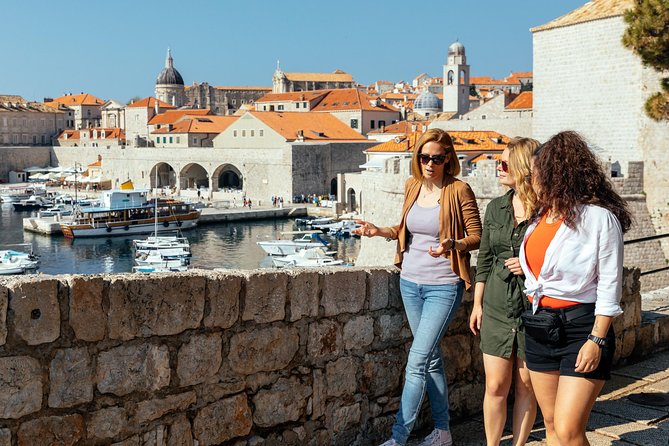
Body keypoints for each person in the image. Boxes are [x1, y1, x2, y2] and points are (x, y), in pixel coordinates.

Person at [354, 128, 482, 446]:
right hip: (410, 282)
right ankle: (442, 432)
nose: (429, 163)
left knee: (417, 360)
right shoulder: (412, 185)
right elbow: (404, 229)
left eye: (437, 158)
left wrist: (454, 244)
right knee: (432, 359)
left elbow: (477, 236)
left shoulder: (459, 190)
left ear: (448, 159)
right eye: (424, 157)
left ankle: (399, 437)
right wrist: (378, 231)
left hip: (443, 286)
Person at [519, 131, 631, 446]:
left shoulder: (598, 219)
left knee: (569, 431)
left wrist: (596, 339)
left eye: (536, 174)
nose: (532, 181)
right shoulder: (539, 219)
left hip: (581, 328)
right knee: (553, 426)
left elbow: (610, 284)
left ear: (556, 174)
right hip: (540, 326)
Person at [470, 138, 540, 446]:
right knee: (496, 385)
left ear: (524, 168)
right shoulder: (495, 208)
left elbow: (559, 260)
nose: (498, 168)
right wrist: (477, 304)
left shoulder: (546, 213)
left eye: (504, 163)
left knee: (526, 385)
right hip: (497, 306)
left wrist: (529, 267)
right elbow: (484, 259)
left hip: (533, 308)